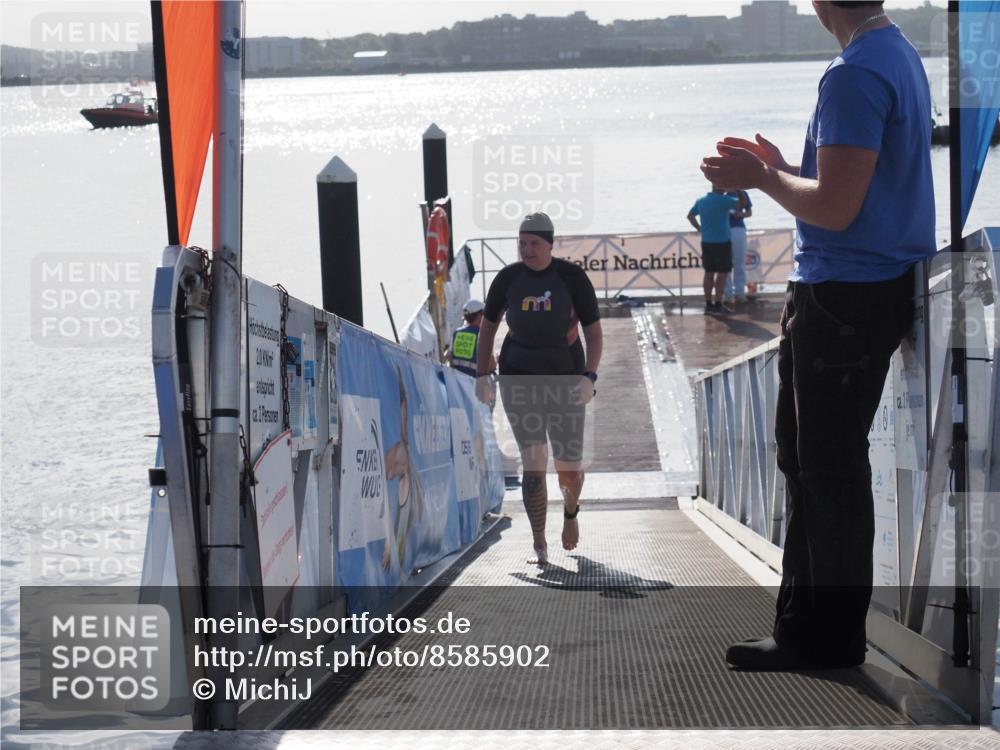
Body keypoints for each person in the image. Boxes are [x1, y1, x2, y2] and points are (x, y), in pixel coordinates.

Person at [700, 0, 934, 670]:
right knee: (811, 461)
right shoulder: (895, 54)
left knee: (824, 468)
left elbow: (834, 207)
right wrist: (783, 166)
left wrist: (763, 178)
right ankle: (811, 627)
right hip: (865, 285)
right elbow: (853, 186)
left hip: (845, 293)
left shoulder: (855, 70)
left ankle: (825, 637)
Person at [475, 212, 603, 565]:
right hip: (518, 377)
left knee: (568, 466)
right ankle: (538, 543)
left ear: (550, 244)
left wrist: (589, 377)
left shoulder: (571, 278)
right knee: (534, 459)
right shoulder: (508, 279)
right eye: (521, 243)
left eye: (534, 243)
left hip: (566, 378)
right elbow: (487, 328)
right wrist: (482, 374)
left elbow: (593, 333)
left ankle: (571, 512)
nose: (527, 250)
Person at [687, 187, 744, 314]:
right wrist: (738, 188)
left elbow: (690, 216)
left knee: (709, 273)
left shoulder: (701, 200)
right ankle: (718, 304)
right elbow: (742, 203)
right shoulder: (724, 200)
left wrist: (699, 228)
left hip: (707, 241)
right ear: (722, 186)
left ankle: (708, 304)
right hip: (722, 242)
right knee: (722, 274)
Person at [447, 299, 496, 378]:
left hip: (459, 383)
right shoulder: (483, 336)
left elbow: (449, 357)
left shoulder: (456, 333)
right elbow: (491, 366)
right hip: (476, 384)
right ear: (479, 316)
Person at [724, 189, 753, 303]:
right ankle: (727, 294)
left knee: (739, 262)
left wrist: (741, 214)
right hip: (724, 230)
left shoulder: (742, 193)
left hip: (739, 229)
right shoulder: (722, 193)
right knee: (726, 263)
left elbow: (749, 212)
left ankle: (740, 293)